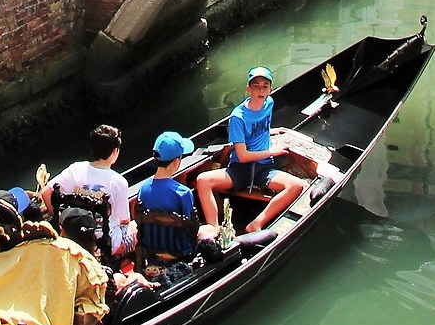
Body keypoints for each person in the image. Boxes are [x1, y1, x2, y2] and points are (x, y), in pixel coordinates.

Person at [195, 65, 303, 237]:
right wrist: (272, 152)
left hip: (263, 169)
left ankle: (256, 223)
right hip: (240, 169)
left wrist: (271, 132)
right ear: (248, 89)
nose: (261, 90)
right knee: (202, 180)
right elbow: (243, 156)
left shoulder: (269, 103)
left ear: (270, 89)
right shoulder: (238, 117)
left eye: (265, 86)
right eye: (256, 86)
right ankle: (214, 228)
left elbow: (262, 127)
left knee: (297, 185)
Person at [41, 121, 135, 259]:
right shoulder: (118, 182)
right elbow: (125, 220)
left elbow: (46, 192)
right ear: (115, 151)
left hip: (75, 237)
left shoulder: (75, 169)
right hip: (105, 244)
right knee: (134, 228)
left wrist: (63, 223)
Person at [132, 130, 200, 267]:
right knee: (209, 231)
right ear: (176, 161)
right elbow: (190, 229)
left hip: (152, 253)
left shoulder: (142, 190)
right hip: (182, 253)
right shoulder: (184, 193)